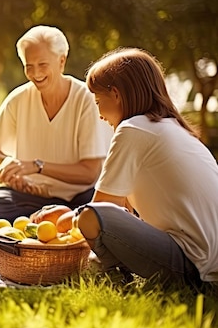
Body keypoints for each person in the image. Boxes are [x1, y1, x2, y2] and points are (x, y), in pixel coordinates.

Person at [73, 47, 218, 286]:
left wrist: (67, 219)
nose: (99, 114)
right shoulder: (172, 127)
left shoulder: (133, 129)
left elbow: (101, 208)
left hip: (192, 266)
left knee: (89, 216)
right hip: (207, 263)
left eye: (98, 101)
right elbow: (126, 210)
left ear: (116, 94)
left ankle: (114, 277)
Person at [0, 25, 112, 235]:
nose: (35, 73)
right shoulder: (19, 98)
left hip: (79, 195)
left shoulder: (86, 99)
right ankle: (52, 225)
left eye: (42, 64)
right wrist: (8, 163)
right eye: (29, 66)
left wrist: (36, 167)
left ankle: (27, 224)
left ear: (61, 60)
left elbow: (89, 174)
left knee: (98, 208)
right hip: (32, 196)